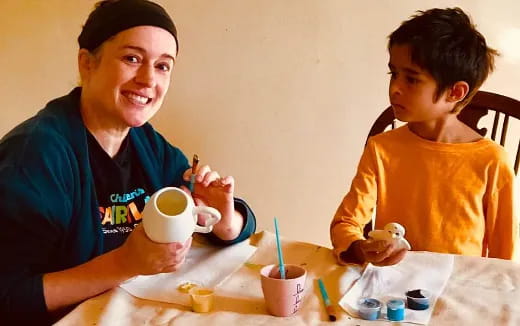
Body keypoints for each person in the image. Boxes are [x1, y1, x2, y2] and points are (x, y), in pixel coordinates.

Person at [0, 0, 256, 324]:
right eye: (132, 58)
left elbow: (235, 223)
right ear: (87, 63)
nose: (148, 79)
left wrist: (224, 216)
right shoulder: (36, 157)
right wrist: (125, 263)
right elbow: (8, 296)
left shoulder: (146, 143)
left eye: (163, 66)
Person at [330, 7, 517, 267]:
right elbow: (346, 223)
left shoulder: (492, 162)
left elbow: (503, 260)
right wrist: (359, 247)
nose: (395, 88)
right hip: (394, 287)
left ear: (455, 92)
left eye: (412, 79)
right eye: (393, 73)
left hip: (458, 291)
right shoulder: (382, 149)